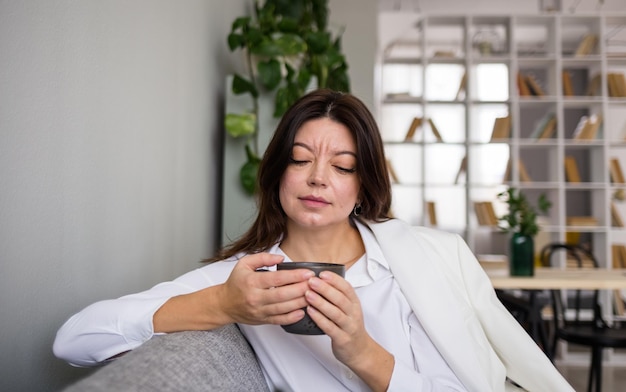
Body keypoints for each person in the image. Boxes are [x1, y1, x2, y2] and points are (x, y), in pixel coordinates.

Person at [54, 89, 574, 392]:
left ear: (363, 184)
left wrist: (362, 351)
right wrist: (222, 302)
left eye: (342, 166)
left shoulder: (423, 259)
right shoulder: (248, 280)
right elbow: (75, 339)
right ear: (279, 174)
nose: (317, 178)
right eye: (300, 160)